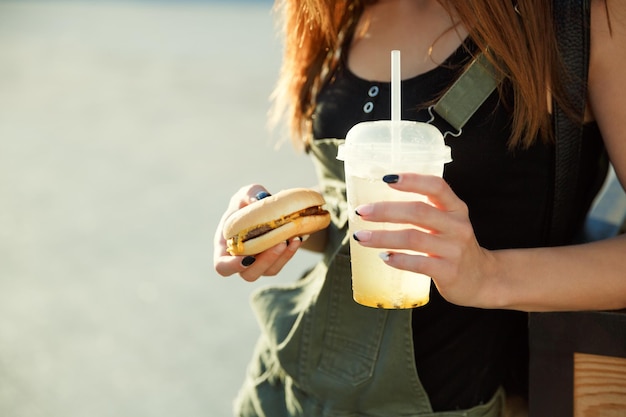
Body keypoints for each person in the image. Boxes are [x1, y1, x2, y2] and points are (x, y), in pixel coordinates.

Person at [214, 0, 626, 415]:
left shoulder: (586, 16)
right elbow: (353, 226)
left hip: (462, 399)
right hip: (285, 392)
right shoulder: (337, 9)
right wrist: (283, 224)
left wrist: (488, 275)